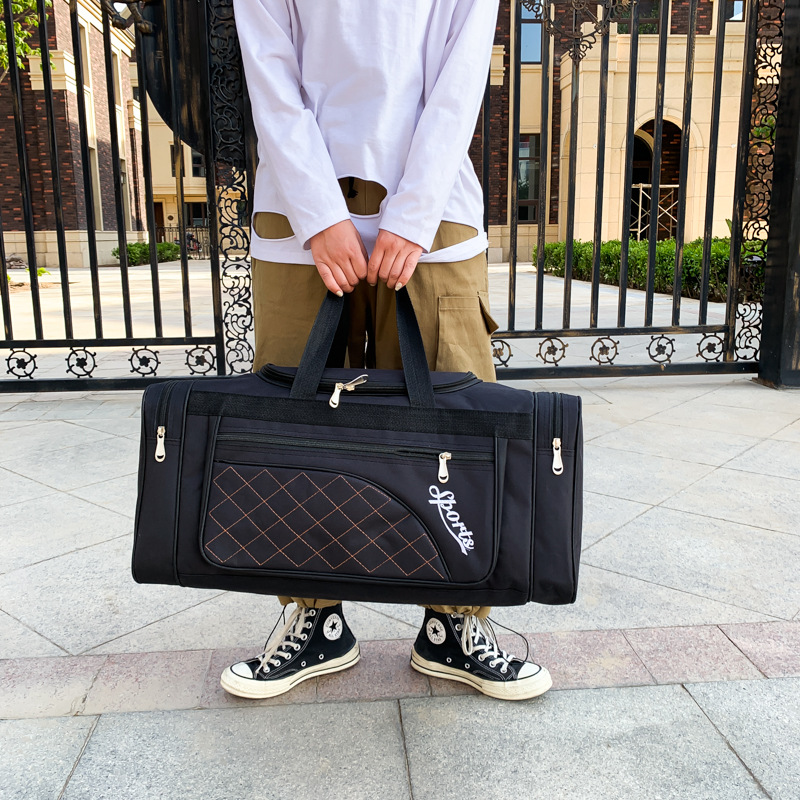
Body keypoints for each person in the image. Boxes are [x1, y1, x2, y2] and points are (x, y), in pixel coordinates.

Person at [223, 0, 552, 702]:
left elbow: (460, 79)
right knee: (295, 425)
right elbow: (269, 74)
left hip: (435, 207)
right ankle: (315, 617)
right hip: (297, 212)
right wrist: (319, 214)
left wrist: (414, 210)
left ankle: (454, 622)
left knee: (452, 425)